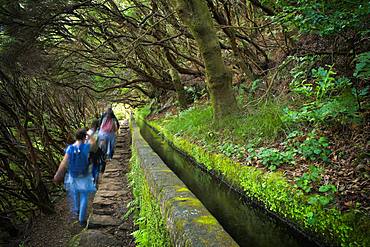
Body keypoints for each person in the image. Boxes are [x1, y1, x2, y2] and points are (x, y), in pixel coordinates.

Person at [54, 128, 96, 226]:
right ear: (84, 137)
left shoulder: (70, 148)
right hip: (84, 175)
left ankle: (77, 210)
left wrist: (58, 173)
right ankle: (82, 219)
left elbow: (64, 162)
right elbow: (94, 144)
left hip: (73, 175)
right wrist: (89, 136)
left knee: (75, 193)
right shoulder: (86, 147)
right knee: (84, 196)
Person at [87, 119, 105, 186]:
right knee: (96, 165)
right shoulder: (98, 131)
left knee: (92, 164)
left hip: (89, 151)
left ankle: (92, 178)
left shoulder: (88, 132)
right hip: (96, 150)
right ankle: (95, 179)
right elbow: (101, 142)